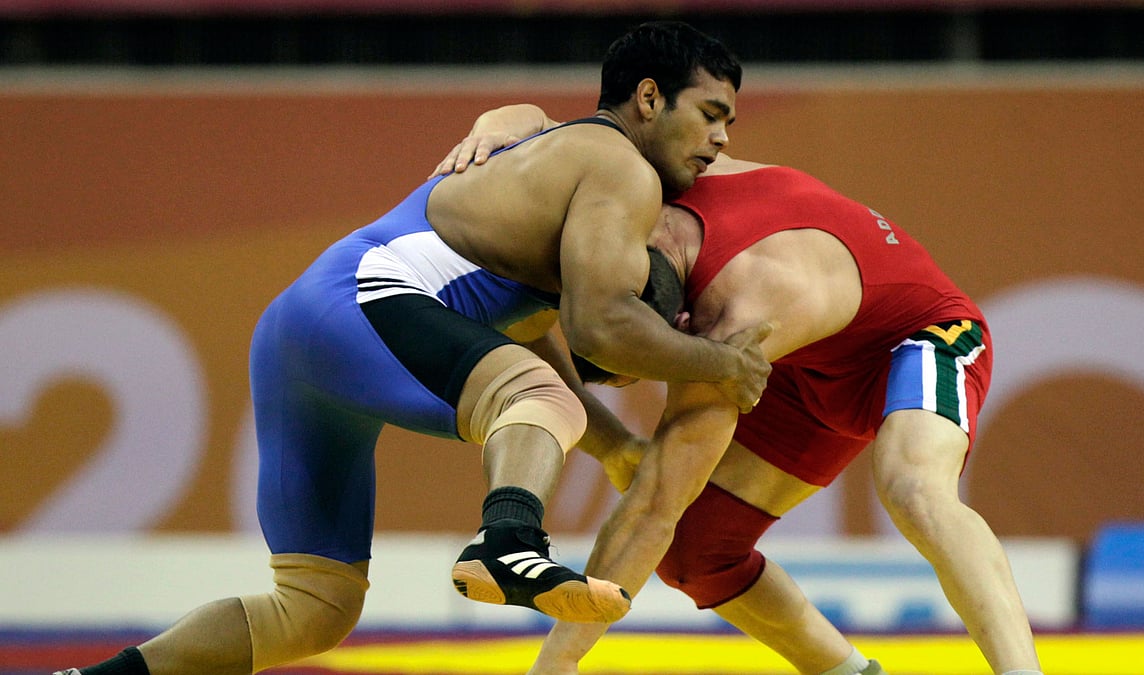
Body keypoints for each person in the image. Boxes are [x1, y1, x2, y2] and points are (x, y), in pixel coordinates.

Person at [52, 22, 775, 675]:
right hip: (360, 302)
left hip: (303, 331)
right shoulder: (621, 168)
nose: (721, 141)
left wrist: (617, 445)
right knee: (534, 397)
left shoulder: (550, 151)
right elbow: (600, 329)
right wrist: (723, 362)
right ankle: (507, 541)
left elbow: (533, 330)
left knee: (313, 606)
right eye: (711, 115)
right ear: (649, 98)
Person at [439, 106, 1045, 675]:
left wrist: (558, 664)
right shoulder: (641, 178)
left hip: (917, 335)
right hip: (804, 367)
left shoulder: (734, 323)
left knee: (913, 488)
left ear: (676, 330)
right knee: (695, 554)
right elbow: (541, 120)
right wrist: (492, 127)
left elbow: (655, 503)